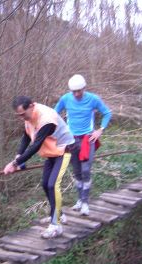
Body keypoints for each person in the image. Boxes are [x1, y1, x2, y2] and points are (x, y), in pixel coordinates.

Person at [4, 96, 75, 239]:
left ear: (31, 106)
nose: (21, 118)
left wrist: (14, 164)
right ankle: (59, 214)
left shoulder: (46, 118)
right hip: (52, 152)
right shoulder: (28, 118)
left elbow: (36, 145)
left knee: (53, 185)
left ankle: (56, 225)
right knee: (45, 184)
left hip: (64, 149)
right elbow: (26, 136)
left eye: (23, 114)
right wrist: (18, 156)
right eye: (18, 115)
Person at [55, 74, 112, 216]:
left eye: (79, 91)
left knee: (86, 170)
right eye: (73, 91)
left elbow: (107, 113)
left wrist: (100, 130)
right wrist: (58, 131)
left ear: (84, 88)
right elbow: (54, 114)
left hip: (88, 139)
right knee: (77, 172)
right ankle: (79, 200)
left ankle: (86, 203)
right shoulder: (65, 99)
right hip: (71, 139)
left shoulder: (93, 99)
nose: (76, 94)